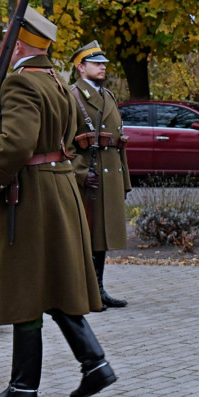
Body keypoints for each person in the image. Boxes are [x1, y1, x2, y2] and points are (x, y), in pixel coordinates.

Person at [0, 7, 116, 397]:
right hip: (58, 186)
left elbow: (16, 144)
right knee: (49, 285)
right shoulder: (57, 81)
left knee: (26, 286)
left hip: (29, 196)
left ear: (17, 45)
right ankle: (92, 364)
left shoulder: (21, 83)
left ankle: (25, 388)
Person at [68, 41, 132, 310]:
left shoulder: (108, 96)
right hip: (90, 176)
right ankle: (85, 292)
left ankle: (99, 289)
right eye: (96, 63)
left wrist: (125, 180)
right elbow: (64, 143)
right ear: (81, 68)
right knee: (86, 235)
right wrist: (81, 172)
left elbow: (118, 142)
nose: (103, 66)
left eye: (104, 62)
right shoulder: (72, 97)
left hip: (109, 174)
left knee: (101, 237)